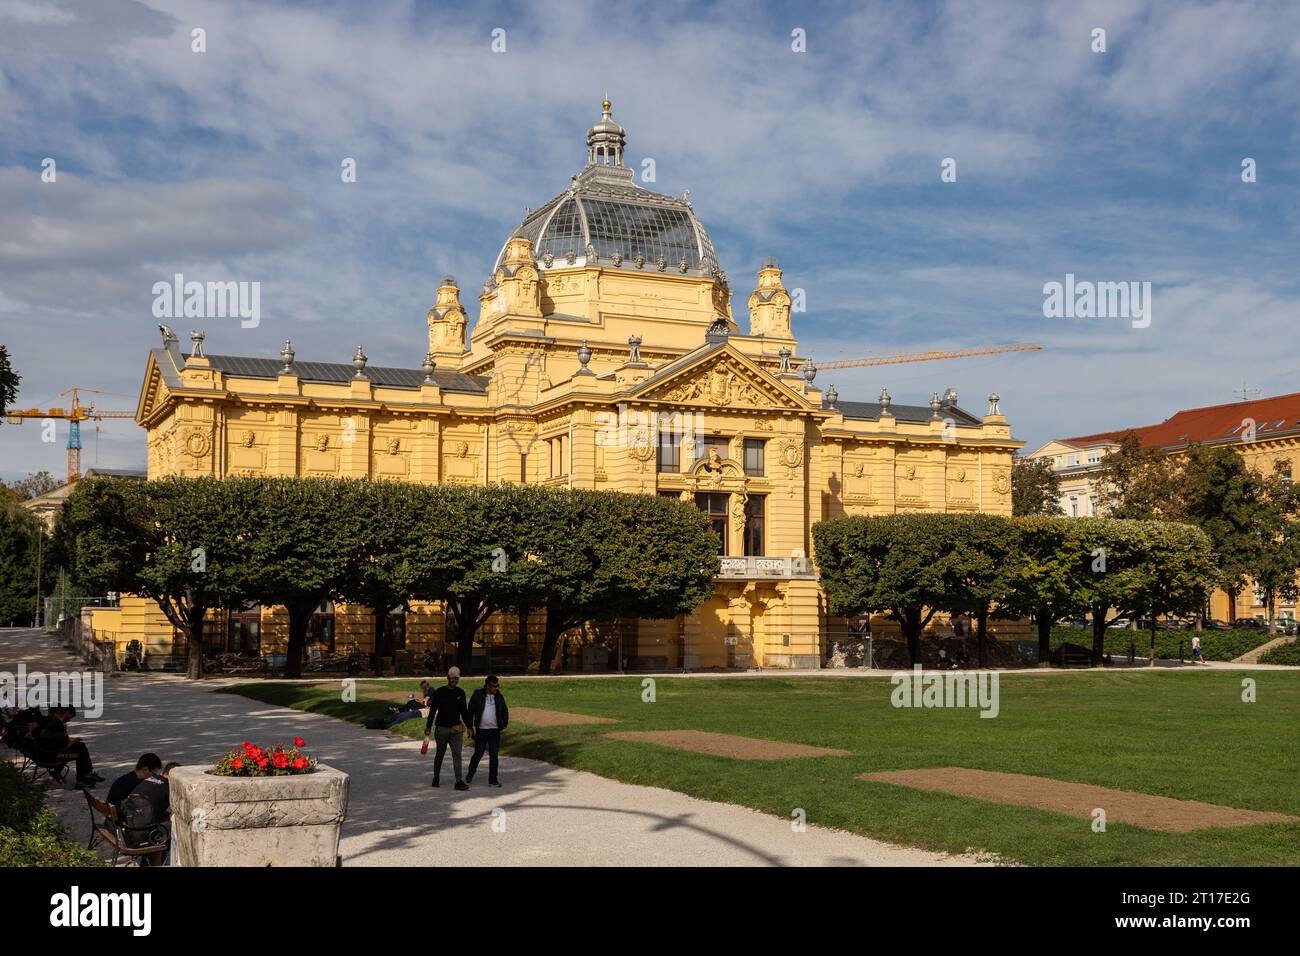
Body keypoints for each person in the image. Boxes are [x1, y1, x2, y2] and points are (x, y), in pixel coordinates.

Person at [121, 761, 179, 865]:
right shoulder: (169, 787)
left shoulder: (151, 779)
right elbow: (174, 813)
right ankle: (155, 862)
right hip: (141, 831)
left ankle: (147, 861)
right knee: (174, 829)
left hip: (128, 823)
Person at [423, 667, 471, 790]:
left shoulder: (460, 693)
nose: (454, 682)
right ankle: (436, 777)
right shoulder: (439, 692)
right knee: (440, 754)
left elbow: (464, 712)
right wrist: (428, 727)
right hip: (441, 729)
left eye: (456, 680)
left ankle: (459, 781)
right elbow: (432, 711)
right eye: (452, 679)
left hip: (456, 729)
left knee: (457, 754)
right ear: (447, 678)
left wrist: (470, 726)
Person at [34, 706, 101, 788]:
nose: (69, 720)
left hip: (43, 754)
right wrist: (72, 741)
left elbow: (55, 742)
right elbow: (63, 747)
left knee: (79, 746)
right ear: (65, 713)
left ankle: (86, 774)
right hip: (53, 756)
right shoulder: (56, 724)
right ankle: (82, 778)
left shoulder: (45, 722)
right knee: (80, 752)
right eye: (69, 717)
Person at [466, 675, 509, 788]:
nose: (496, 688)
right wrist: (470, 726)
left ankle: (493, 780)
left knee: (494, 755)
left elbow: (505, 710)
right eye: (494, 686)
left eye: (497, 686)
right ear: (488, 686)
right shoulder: (477, 695)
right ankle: (470, 773)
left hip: (495, 731)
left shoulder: (499, 697)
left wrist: (504, 724)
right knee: (478, 754)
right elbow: (470, 711)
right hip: (481, 730)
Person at [108, 753, 163, 822]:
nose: (155, 776)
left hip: (111, 814)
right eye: (154, 773)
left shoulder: (128, 777)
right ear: (145, 769)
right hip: (122, 820)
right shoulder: (136, 785)